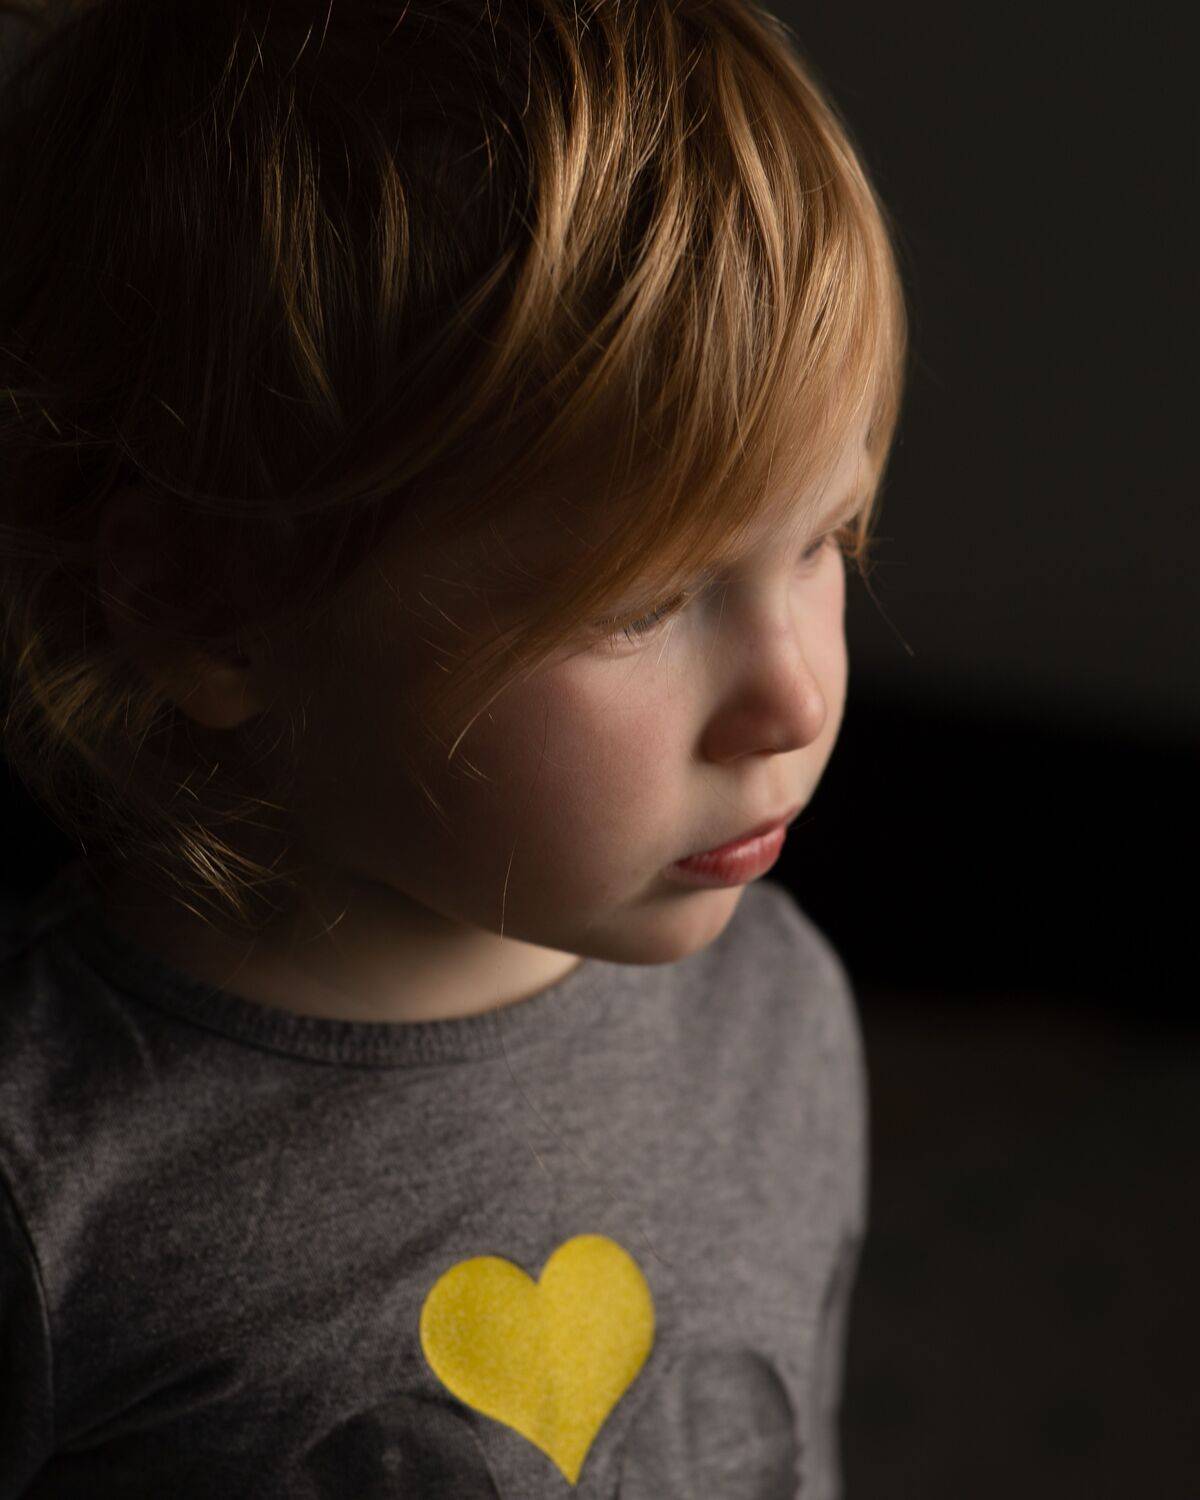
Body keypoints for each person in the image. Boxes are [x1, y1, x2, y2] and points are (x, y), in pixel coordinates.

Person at [0, 1, 908, 1494]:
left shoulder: (779, 1014)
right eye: (641, 602)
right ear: (210, 606)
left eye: (827, 540)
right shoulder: (54, 1185)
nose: (796, 699)